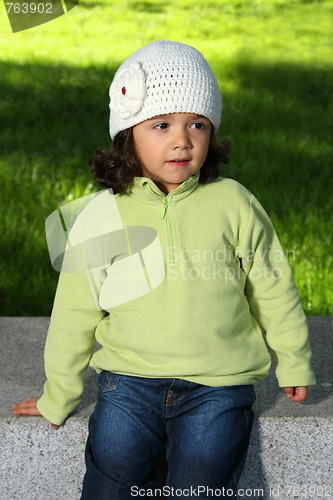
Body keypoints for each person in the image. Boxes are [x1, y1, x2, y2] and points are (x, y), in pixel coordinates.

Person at [13, 40, 316, 499]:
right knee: (111, 480)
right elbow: (74, 312)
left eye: (197, 123)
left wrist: (293, 360)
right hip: (127, 384)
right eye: (161, 124)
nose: (182, 139)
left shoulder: (233, 202)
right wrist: (59, 394)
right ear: (128, 133)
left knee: (201, 487)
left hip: (218, 385)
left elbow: (272, 285)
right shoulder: (104, 214)